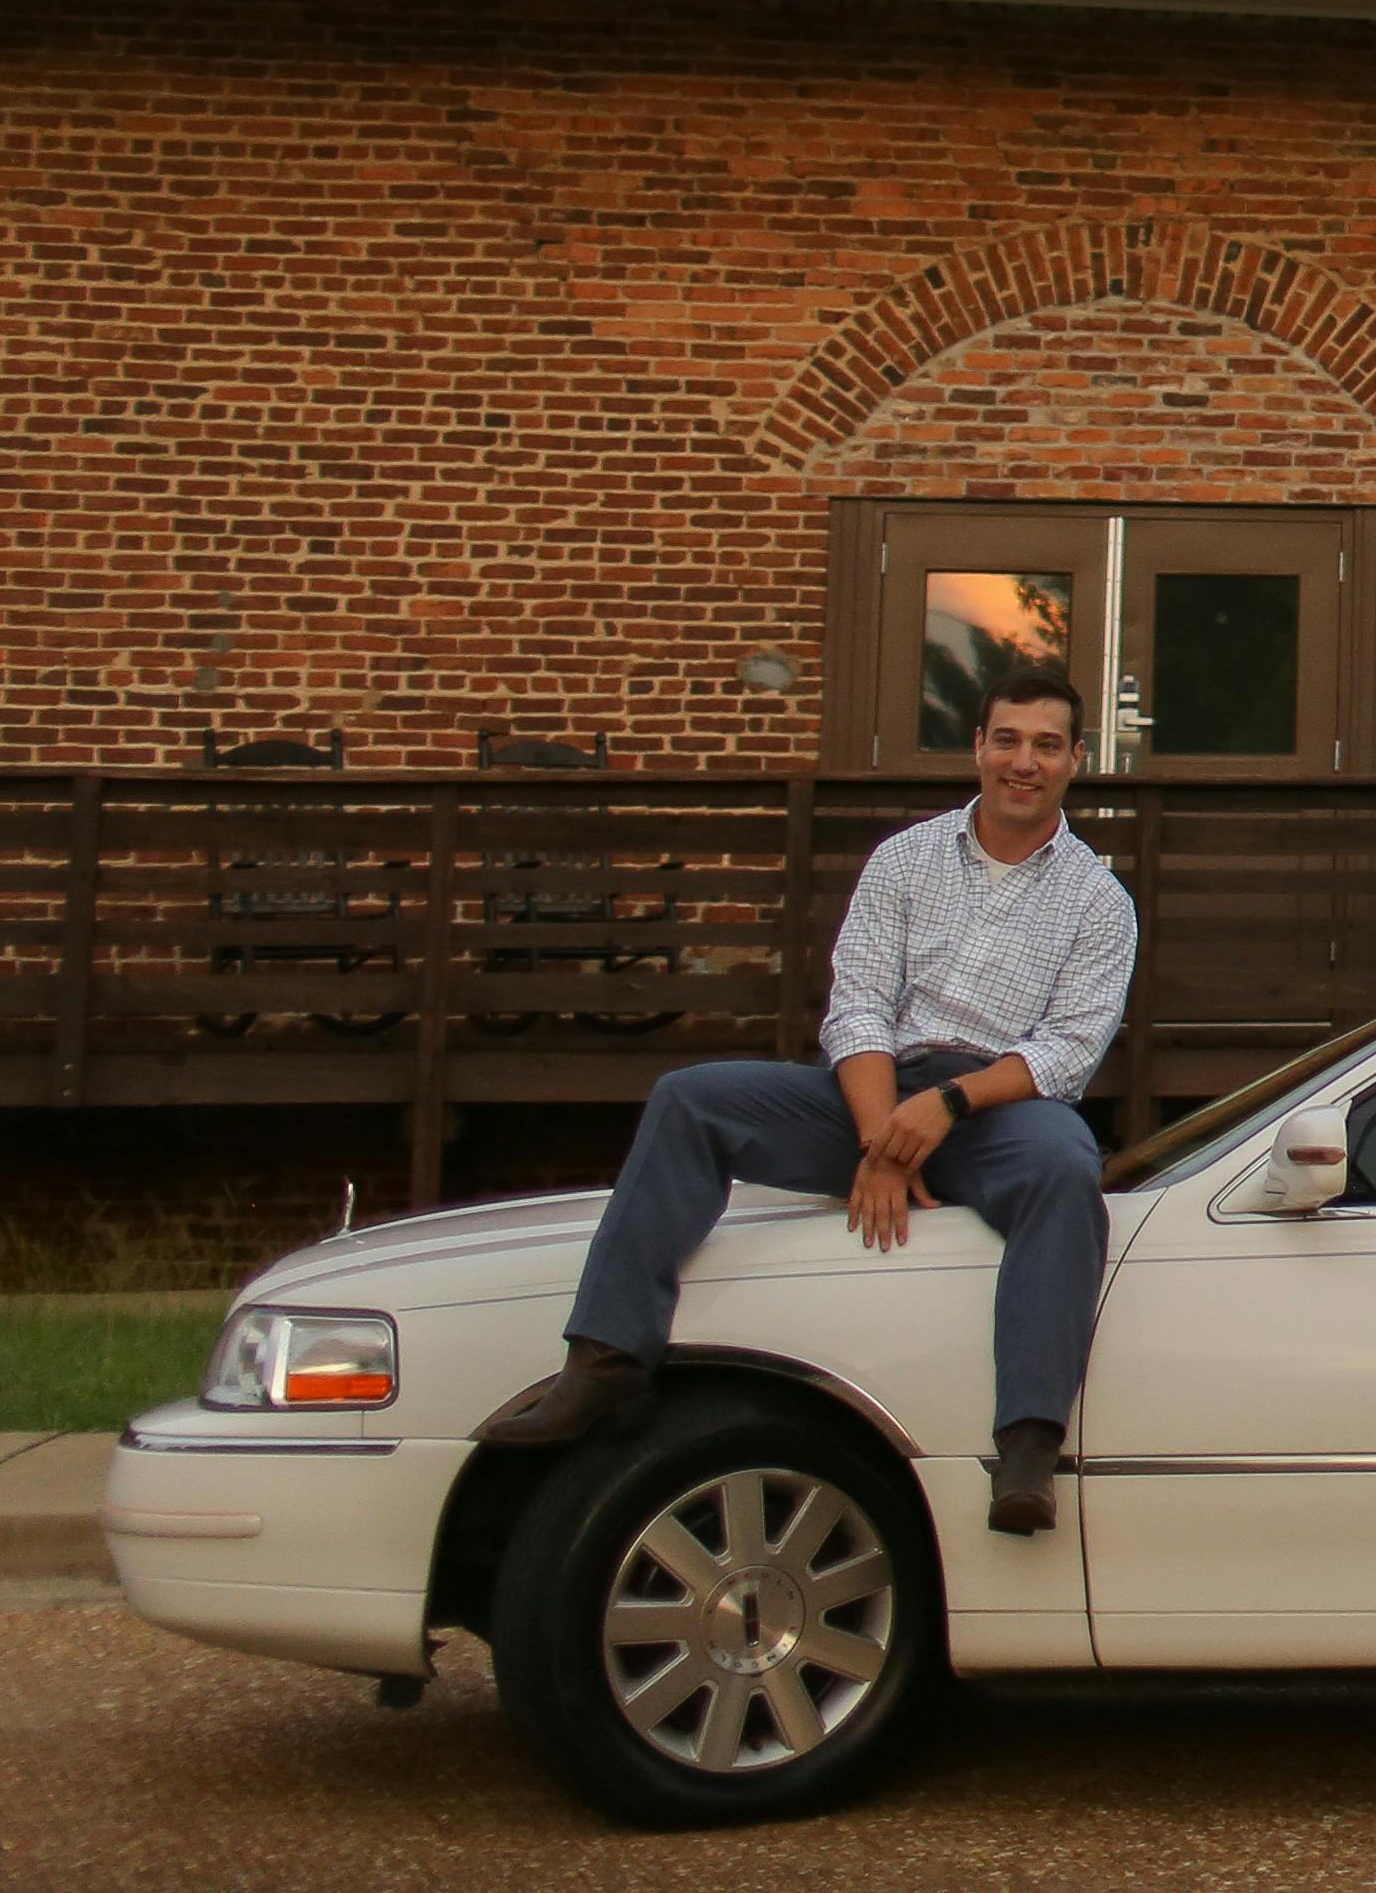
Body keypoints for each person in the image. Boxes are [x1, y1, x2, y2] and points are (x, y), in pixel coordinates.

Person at [475, 654, 1138, 1532]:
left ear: (1075, 759)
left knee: (1066, 1170)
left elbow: (1066, 1050)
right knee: (691, 1097)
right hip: (873, 1088)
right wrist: (880, 1140)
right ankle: (607, 1360)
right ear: (977, 746)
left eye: (1047, 746)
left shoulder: (1099, 898)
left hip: (995, 1109)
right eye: (1008, 740)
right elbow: (859, 1004)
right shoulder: (904, 861)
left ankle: (1026, 1441)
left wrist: (938, 1112)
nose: (1025, 762)